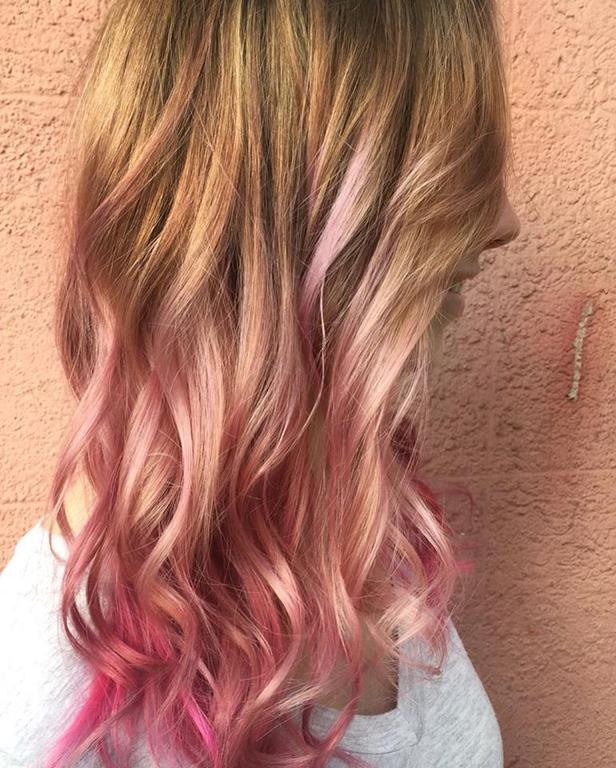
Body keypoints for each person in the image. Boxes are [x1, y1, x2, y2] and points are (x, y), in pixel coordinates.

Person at [0, 1, 521, 767]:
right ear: (289, 219)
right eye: (452, 167)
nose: (504, 223)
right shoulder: (40, 712)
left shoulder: (353, 514)